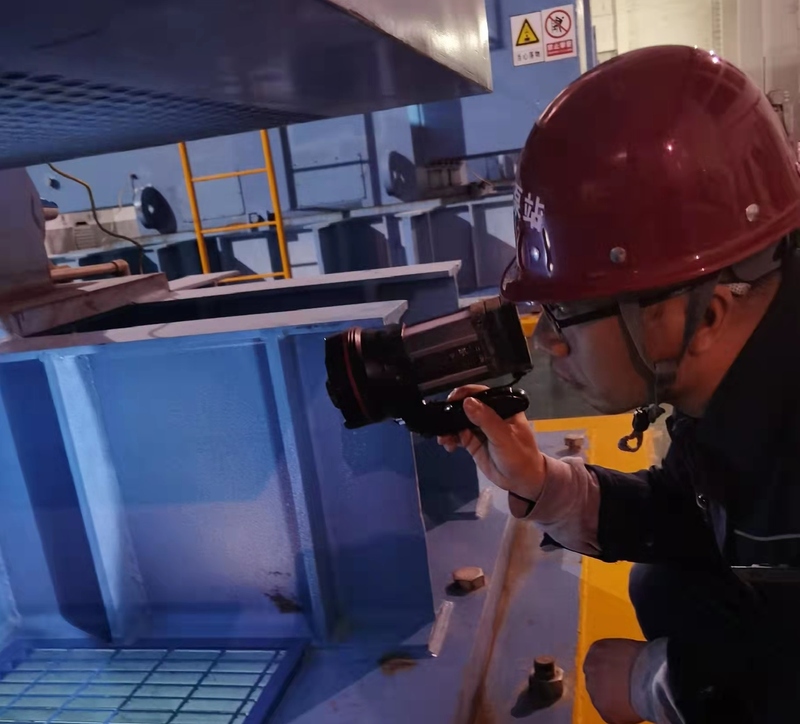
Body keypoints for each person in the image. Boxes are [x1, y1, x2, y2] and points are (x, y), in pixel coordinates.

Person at [438, 45, 800, 724]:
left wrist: (661, 686)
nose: (546, 342)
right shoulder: (746, 383)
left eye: (567, 313)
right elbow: (688, 512)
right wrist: (543, 484)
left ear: (700, 314)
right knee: (667, 586)